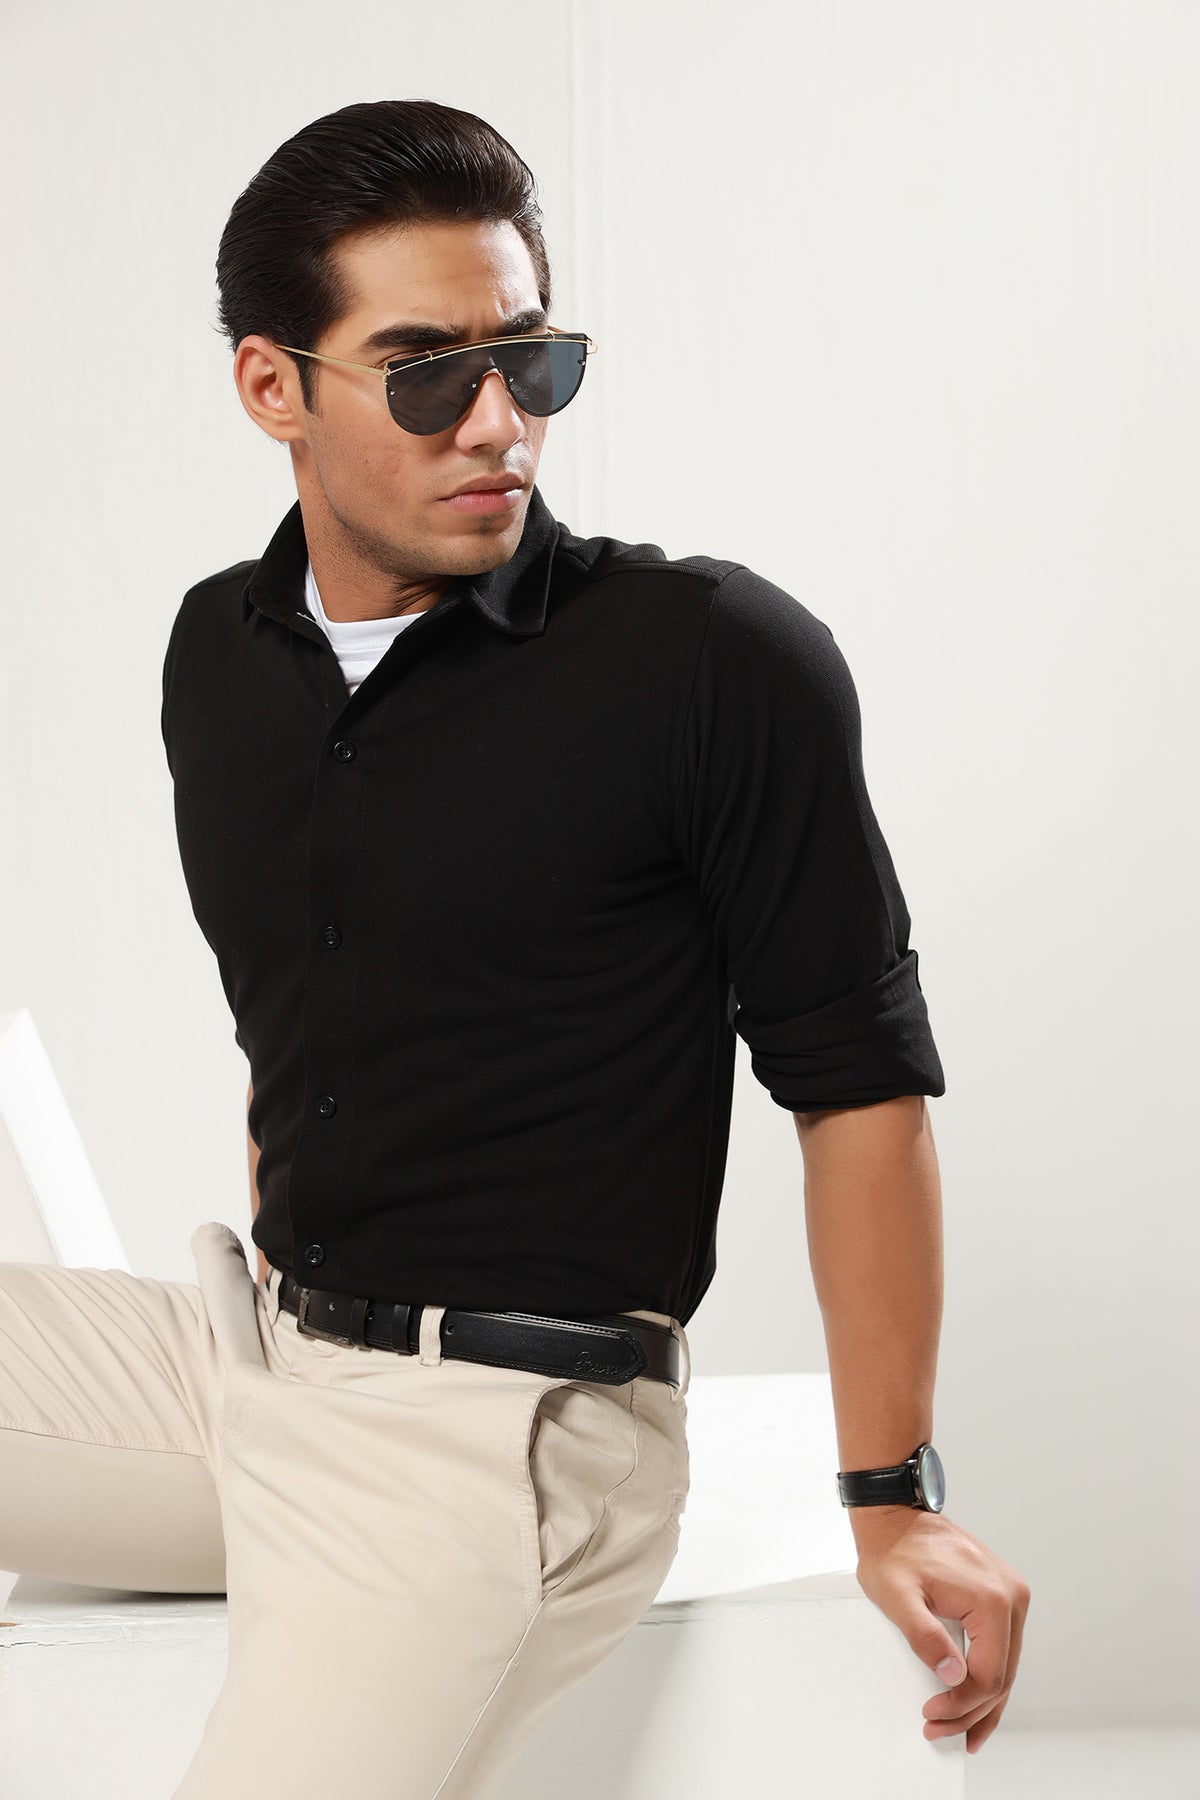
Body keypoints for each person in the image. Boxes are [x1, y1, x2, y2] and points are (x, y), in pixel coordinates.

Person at [0, 99, 1029, 1797]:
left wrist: (892, 1498)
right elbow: (302, 1032)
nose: (498, 424)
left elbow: (858, 1090)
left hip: (500, 1442)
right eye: (423, 373)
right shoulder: (220, 657)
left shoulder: (710, 664)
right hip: (253, 1363)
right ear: (272, 387)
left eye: (527, 364)